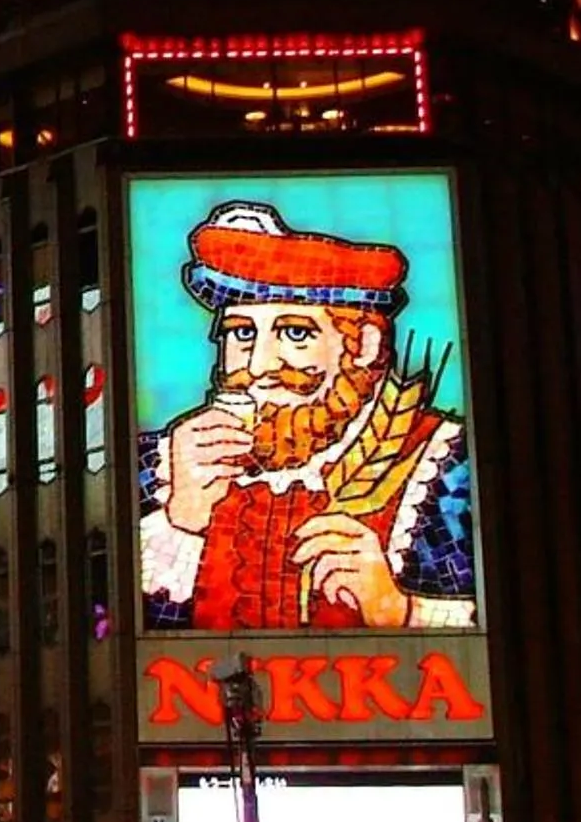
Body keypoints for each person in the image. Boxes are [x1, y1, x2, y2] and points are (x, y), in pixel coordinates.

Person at [138, 199, 476, 633]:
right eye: (242, 333)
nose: (258, 364)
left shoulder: (446, 465)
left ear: (366, 345)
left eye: (295, 333)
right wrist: (179, 523)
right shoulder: (158, 464)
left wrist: (400, 610)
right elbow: (107, 633)